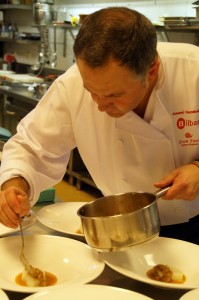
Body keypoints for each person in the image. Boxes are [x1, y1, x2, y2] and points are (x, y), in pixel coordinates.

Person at [0, 7, 199, 243]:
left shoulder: (193, 71)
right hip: (119, 222)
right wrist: (14, 184)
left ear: (152, 70)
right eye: (91, 92)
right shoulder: (72, 84)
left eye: (114, 95)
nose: (100, 106)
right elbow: (31, 147)